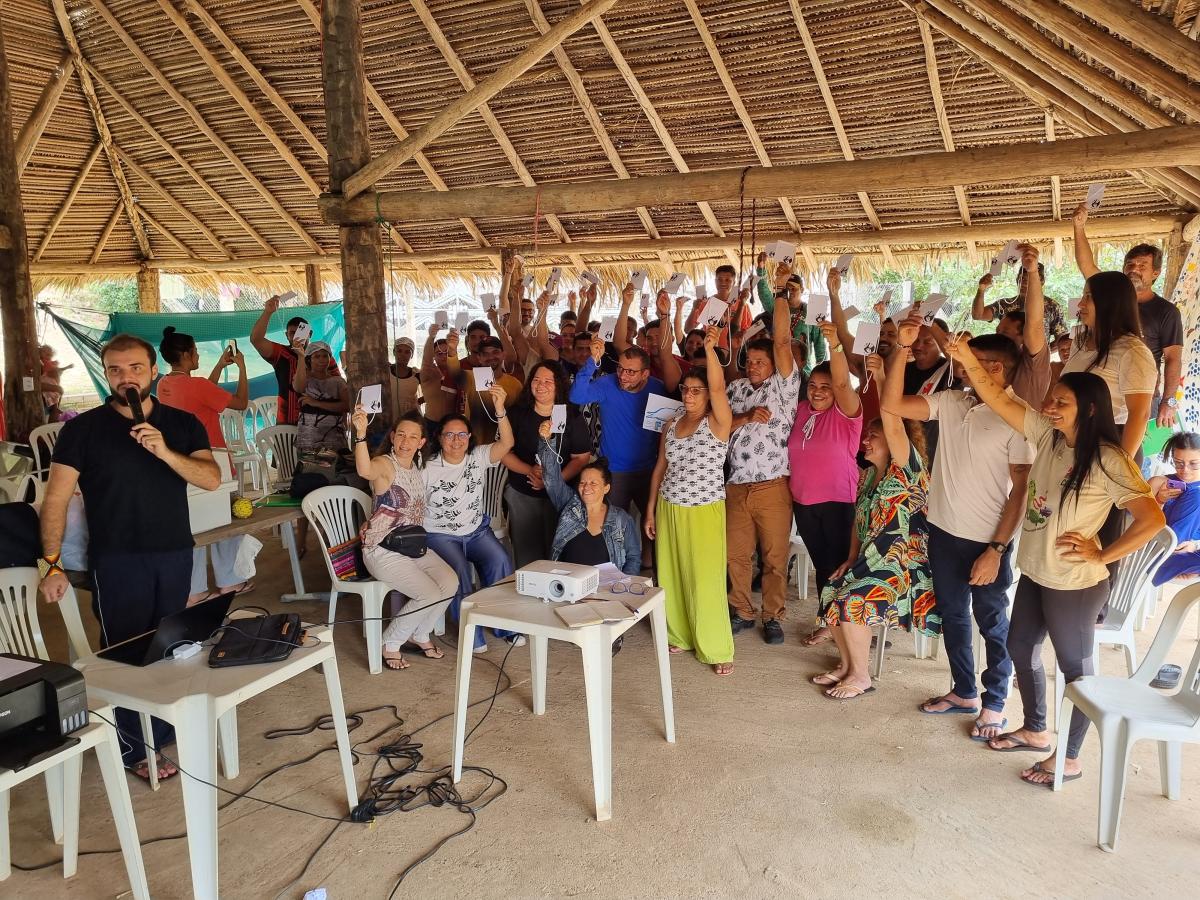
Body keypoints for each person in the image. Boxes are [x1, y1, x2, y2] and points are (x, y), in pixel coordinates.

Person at [943, 338, 1164, 786]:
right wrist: (966, 359)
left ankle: (1073, 756)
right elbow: (996, 397)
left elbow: (1152, 519)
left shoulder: (1108, 459)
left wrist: (1103, 553)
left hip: (1075, 584)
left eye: (1061, 401)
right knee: (1021, 649)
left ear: (1090, 410)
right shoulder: (1048, 437)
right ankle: (1036, 728)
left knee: (1076, 671)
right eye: (1050, 397)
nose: (1049, 405)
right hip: (1037, 574)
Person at [37, 333, 220, 780]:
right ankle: (133, 747)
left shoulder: (181, 424)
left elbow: (211, 479)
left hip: (175, 551)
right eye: (116, 370)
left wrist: (164, 450)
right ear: (106, 374)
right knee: (126, 651)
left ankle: (164, 732)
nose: (126, 378)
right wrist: (52, 563)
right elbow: (56, 500)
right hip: (118, 558)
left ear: (153, 371)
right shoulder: (82, 430)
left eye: (136, 368)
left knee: (173, 645)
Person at [883, 319, 1033, 739]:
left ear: (996, 368)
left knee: (992, 623)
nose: (960, 366)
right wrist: (901, 349)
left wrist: (997, 549)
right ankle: (964, 691)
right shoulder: (951, 401)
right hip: (943, 531)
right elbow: (892, 403)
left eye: (971, 362)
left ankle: (995, 702)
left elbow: (1020, 489)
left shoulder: (1017, 418)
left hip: (987, 540)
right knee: (953, 616)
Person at [813, 339, 938, 701]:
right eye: (866, 435)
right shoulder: (869, 477)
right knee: (831, 589)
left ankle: (862, 675)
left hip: (903, 566)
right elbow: (857, 522)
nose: (865, 441)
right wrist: (851, 558)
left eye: (873, 436)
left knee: (852, 600)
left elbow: (894, 423)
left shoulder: (907, 469)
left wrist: (885, 373)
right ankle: (847, 665)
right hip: (871, 561)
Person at [645, 327, 734, 675]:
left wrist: (710, 350)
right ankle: (679, 633)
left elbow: (717, 386)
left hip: (704, 509)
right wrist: (650, 509)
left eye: (696, 390)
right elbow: (659, 468)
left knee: (706, 579)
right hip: (670, 506)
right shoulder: (671, 424)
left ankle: (716, 647)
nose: (690, 395)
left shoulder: (717, 422)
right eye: (686, 389)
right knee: (670, 573)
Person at [570, 306, 681, 568]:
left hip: (649, 470)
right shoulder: (608, 383)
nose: (623, 375)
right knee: (608, 524)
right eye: (621, 369)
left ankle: (649, 568)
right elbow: (577, 396)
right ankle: (611, 571)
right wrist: (592, 362)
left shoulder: (658, 388)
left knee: (653, 523)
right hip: (615, 472)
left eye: (631, 371)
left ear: (646, 373)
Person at [351, 406, 458, 670]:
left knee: (450, 582)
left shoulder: (417, 468)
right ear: (392, 437)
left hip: (411, 545)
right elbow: (366, 470)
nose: (405, 442)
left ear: (422, 442)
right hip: (383, 548)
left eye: (412, 437)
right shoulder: (386, 465)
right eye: (400, 435)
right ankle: (390, 643)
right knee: (429, 592)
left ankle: (419, 634)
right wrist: (361, 434)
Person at [156, 327, 256, 604]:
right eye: (197, 352)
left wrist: (217, 367)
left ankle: (194, 589)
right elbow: (241, 402)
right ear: (187, 355)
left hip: (182, 462)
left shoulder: (164, 384)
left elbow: (202, 394)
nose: (198, 355)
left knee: (194, 524)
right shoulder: (197, 386)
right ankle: (231, 581)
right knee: (226, 519)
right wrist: (241, 369)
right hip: (212, 458)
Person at [724, 290, 801, 644]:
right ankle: (741, 608)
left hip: (772, 485)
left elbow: (783, 343)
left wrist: (781, 295)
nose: (754, 366)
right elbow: (720, 424)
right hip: (736, 484)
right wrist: (745, 417)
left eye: (761, 362)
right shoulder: (736, 389)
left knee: (774, 557)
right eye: (751, 360)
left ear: (773, 366)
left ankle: (772, 615)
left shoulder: (783, 389)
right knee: (736, 555)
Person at [424, 391, 519, 653]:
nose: (456, 440)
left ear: (470, 437)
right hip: (440, 535)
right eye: (449, 435)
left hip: (476, 531)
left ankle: (505, 626)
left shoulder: (478, 456)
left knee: (500, 561)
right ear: (439, 438)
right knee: (459, 572)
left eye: (462, 434)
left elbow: (507, 442)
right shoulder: (427, 467)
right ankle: (471, 633)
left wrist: (500, 409)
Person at [788, 326, 864, 648]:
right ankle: (827, 621)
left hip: (837, 501)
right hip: (803, 501)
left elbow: (844, 382)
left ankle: (850, 628)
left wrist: (834, 344)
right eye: (814, 386)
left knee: (838, 566)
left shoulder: (847, 413)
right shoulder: (803, 409)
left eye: (826, 387)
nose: (818, 392)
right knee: (822, 566)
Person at [1074, 203, 1182, 427]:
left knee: (1135, 453)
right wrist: (1078, 227)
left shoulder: (1166, 311)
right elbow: (1088, 267)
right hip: (1104, 390)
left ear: (1155, 273)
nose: (1134, 269)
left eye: (1142, 265)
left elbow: (1173, 358)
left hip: (1142, 393)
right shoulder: (1110, 297)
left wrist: (1168, 401)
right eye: (1130, 264)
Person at [1057, 271, 1155, 460]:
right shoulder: (1080, 341)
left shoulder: (1132, 350)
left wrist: (1123, 464)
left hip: (1112, 444)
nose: (1080, 304)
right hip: (1076, 439)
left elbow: (1139, 414)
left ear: (1110, 302)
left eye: (1089, 297)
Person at [502, 361, 591, 568]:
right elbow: (503, 453)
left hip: (561, 495)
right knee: (526, 551)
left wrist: (553, 481)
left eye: (548, 381)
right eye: (536, 379)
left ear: (559, 385)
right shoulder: (517, 413)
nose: (541, 385)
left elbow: (581, 458)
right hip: (522, 492)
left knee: (558, 549)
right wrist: (529, 470)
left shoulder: (572, 416)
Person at [536, 420, 642, 575]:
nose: (586, 487)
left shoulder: (622, 519)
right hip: (567, 586)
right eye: (583, 482)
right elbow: (552, 478)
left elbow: (633, 558)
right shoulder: (569, 505)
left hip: (607, 589)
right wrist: (547, 441)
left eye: (593, 483)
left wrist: (621, 587)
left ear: (606, 488)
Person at [988, 244, 1053, 408]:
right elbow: (979, 314)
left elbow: (1034, 323)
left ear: (1023, 337)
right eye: (998, 331)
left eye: (1005, 333)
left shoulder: (1033, 363)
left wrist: (1032, 272)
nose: (998, 337)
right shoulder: (996, 362)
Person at [972, 255, 1068, 342]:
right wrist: (981, 289)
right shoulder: (1006, 304)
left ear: (1041, 282)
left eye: (1029, 280)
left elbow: (1061, 340)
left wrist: (1040, 356)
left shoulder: (1052, 306)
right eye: (1021, 279)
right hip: (1008, 358)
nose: (1024, 283)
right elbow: (978, 315)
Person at [1148, 433, 1200, 585]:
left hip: (1187, 555)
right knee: (1197, 496)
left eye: (1194, 464)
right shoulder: (1159, 483)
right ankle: (1166, 565)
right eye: (1178, 463)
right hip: (1155, 549)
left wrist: (1194, 545)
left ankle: (1169, 567)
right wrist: (1159, 501)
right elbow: (1141, 523)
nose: (1185, 470)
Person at [250, 294, 308, 425]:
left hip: (315, 422)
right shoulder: (281, 353)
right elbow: (256, 340)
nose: (296, 337)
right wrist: (268, 312)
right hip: (285, 421)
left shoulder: (319, 356)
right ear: (286, 335)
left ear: (309, 334)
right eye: (292, 333)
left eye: (301, 332)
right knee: (283, 446)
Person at [461, 336, 523, 445]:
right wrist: (451, 352)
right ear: (479, 358)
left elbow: (520, 416)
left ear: (503, 354)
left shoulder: (515, 384)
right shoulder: (471, 378)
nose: (491, 357)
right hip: (476, 447)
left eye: (495, 352)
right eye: (485, 354)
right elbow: (453, 372)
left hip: (506, 448)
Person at [294, 341, 350, 453]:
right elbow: (299, 388)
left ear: (330, 358)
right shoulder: (304, 379)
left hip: (334, 436)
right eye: (317, 356)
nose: (322, 360)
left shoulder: (338, 381)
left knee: (337, 467)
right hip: (308, 436)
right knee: (310, 468)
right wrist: (300, 356)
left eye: (325, 356)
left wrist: (316, 403)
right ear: (309, 359)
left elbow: (347, 406)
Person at [419, 324, 461, 437]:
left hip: (453, 424)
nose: (443, 356)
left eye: (446, 353)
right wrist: (431, 337)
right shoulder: (428, 374)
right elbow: (426, 361)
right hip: (431, 424)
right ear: (434, 356)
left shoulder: (457, 373)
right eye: (439, 353)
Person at [388, 337, 421, 421]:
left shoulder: (416, 374)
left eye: (407, 352)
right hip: (389, 418)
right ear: (394, 352)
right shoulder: (386, 372)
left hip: (411, 418)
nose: (402, 355)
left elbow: (432, 391)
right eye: (399, 351)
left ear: (412, 355)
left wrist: (418, 402)